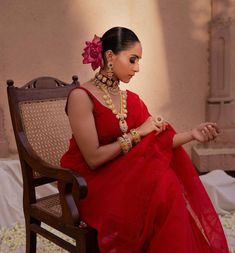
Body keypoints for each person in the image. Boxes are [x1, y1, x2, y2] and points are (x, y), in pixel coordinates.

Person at [60, 27, 229, 253]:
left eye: (138, 60)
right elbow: (93, 158)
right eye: (132, 59)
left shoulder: (130, 99)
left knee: (163, 183)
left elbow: (158, 139)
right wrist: (138, 132)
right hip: (89, 183)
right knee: (162, 185)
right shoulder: (81, 97)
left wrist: (192, 134)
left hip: (123, 174)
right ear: (110, 56)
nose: (137, 68)